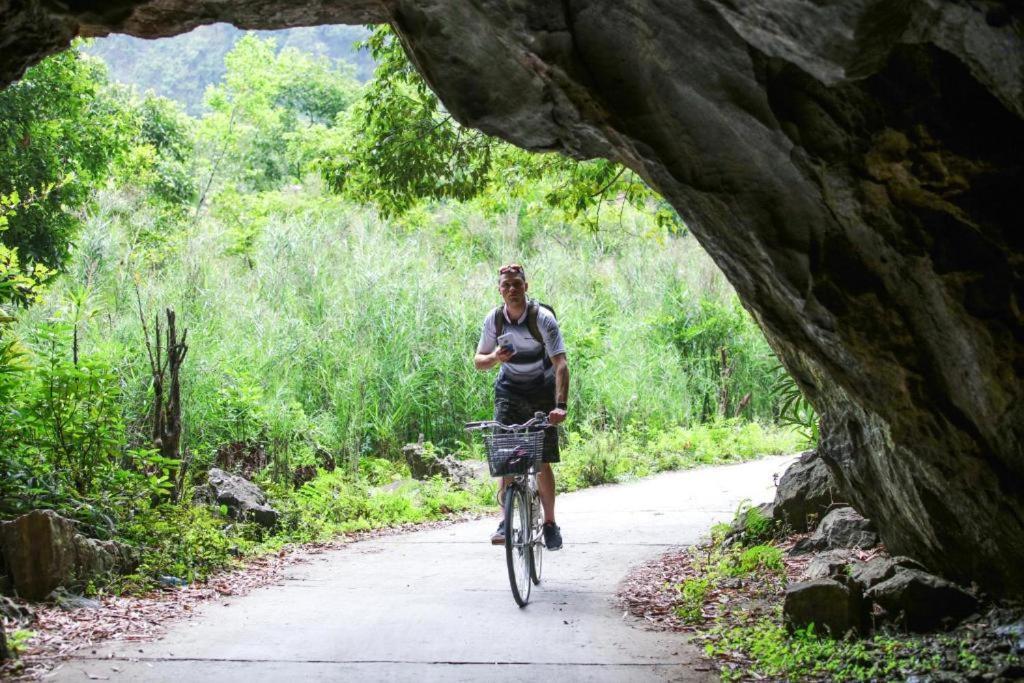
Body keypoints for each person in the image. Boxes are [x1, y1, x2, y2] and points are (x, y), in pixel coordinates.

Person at [474, 263, 569, 550]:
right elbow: (479, 361)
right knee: (504, 457)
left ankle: (550, 523)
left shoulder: (543, 319)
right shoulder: (494, 320)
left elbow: (561, 364)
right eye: (506, 285)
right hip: (509, 390)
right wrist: (495, 357)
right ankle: (505, 521)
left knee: (540, 461)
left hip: (542, 389)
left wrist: (560, 406)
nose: (512, 289)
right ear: (500, 290)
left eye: (517, 284)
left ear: (526, 287)